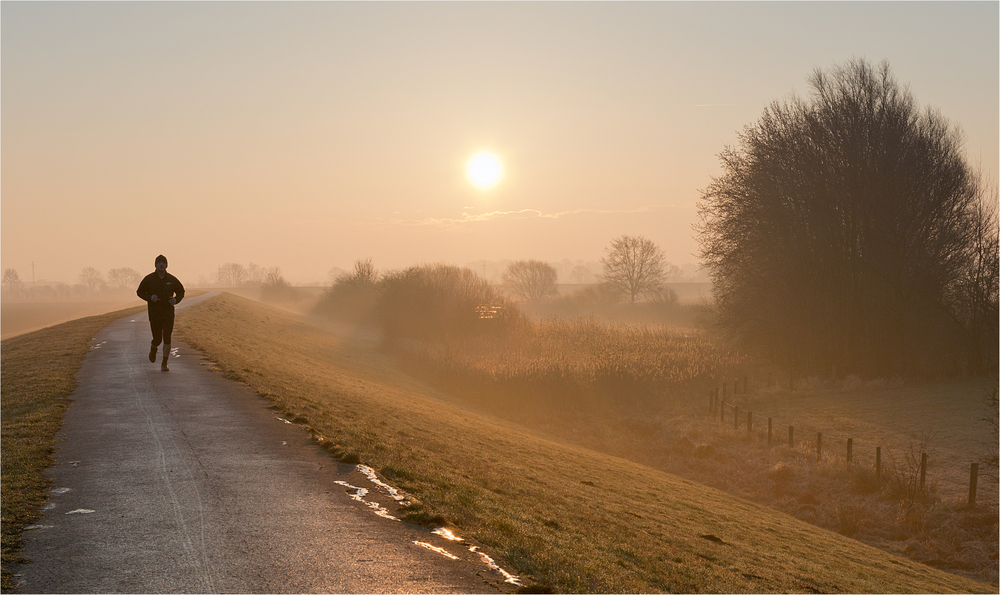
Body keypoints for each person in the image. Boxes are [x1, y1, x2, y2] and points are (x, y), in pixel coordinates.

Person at [136, 255, 185, 371]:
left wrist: (176, 300)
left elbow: (181, 291)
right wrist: (150, 297)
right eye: (159, 262)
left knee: (167, 338)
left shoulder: (172, 280)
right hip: (155, 314)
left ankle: (164, 363)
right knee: (157, 339)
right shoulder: (149, 279)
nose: (161, 264)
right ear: (156, 265)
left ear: (166, 265)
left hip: (168, 314)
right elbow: (140, 292)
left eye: (163, 262)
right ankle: (153, 348)